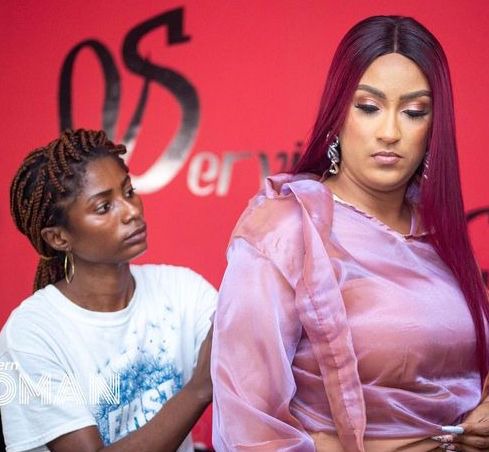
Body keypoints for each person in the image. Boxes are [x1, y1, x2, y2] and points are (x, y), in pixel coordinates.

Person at [211, 15, 489, 452]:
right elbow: (249, 426)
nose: (390, 132)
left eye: (414, 112)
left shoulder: (439, 233)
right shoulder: (287, 229)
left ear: (435, 125)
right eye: (369, 107)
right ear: (339, 111)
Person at [1, 129, 216, 451]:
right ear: (59, 238)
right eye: (104, 207)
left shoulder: (183, 290)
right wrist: (198, 390)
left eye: (129, 192)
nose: (132, 211)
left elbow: (249, 361)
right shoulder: (30, 335)